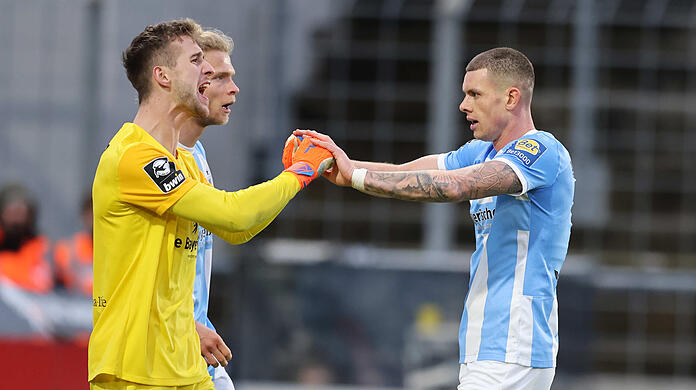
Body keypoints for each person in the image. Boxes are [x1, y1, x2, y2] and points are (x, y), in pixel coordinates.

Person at [297, 47, 574, 390]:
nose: (464, 105)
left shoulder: (541, 151)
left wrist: (357, 177)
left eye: (475, 94)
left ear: (511, 98)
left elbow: (457, 186)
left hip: (513, 341)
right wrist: (348, 166)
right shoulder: (482, 151)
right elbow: (406, 172)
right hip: (487, 344)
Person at [88, 19, 332, 390]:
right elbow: (233, 215)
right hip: (135, 368)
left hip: (183, 364)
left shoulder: (185, 161)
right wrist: (300, 173)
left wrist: (290, 178)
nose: (207, 71)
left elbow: (238, 229)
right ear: (163, 77)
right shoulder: (133, 157)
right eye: (195, 60)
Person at [178, 29, 239, 389]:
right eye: (221, 77)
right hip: (161, 354)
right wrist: (298, 176)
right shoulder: (149, 159)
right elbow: (235, 220)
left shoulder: (196, 154)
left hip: (198, 348)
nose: (233, 89)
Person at [0, 183, 53, 294]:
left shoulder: (41, 247)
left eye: (20, 213)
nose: (16, 220)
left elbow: (41, 284)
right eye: (11, 212)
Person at [54, 192, 93, 296]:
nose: (94, 216)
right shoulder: (67, 250)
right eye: (90, 211)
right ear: (83, 215)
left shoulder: (119, 251)